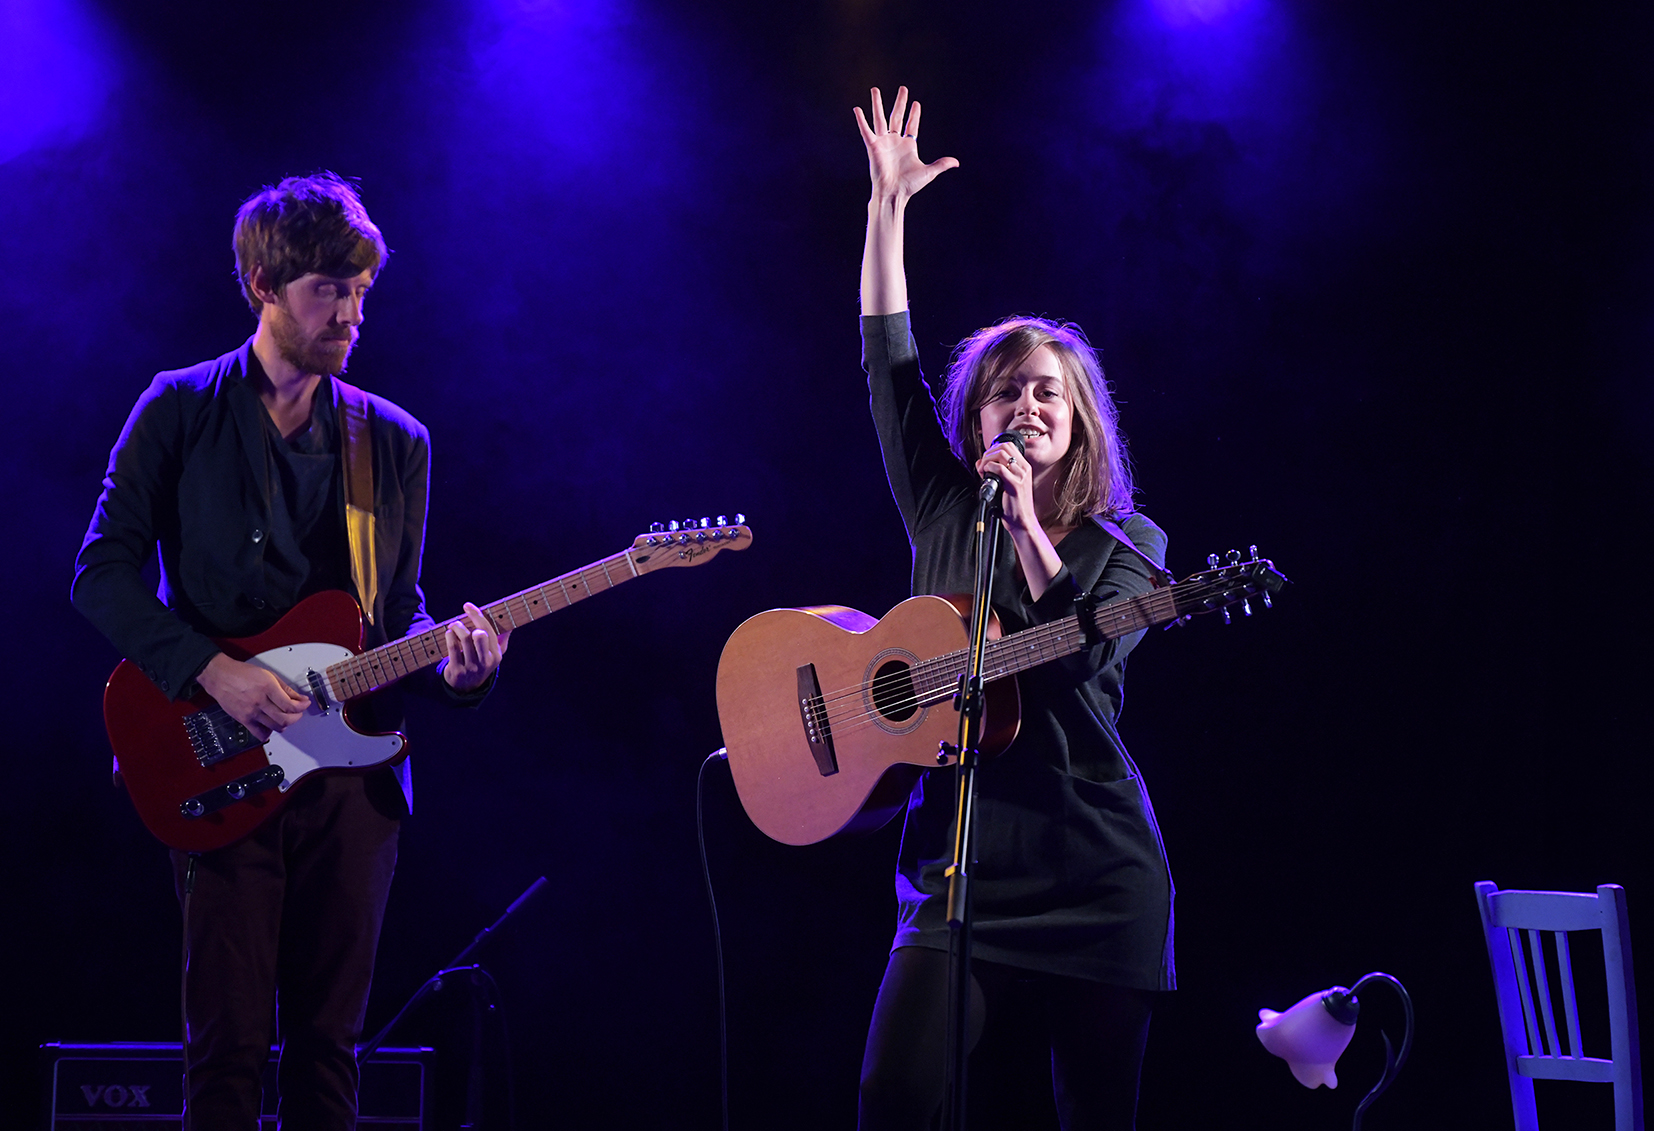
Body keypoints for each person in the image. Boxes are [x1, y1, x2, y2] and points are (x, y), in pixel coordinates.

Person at [71, 172, 508, 1130]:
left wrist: (457, 671)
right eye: (328, 290)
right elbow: (98, 574)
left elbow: (396, 617)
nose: (352, 314)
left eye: (361, 291)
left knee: (328, 1055)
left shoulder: (395, 442)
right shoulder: (177, 408)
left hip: (353, 785)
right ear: (264, 285)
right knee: (224, 1052)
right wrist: (214, 671)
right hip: (218, 760)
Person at [853, 88, 1175, 1130]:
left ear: (1079, 420)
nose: (1026, 406)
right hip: (956, 868)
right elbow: (887, 363)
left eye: (1046, 392)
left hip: (1093, 872)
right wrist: (887, 208)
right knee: (893, 1095)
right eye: (1005, 391)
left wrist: (1030, 518)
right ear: (975, 415)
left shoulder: (1132, 546)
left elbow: (1077, 661)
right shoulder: (945, 506)